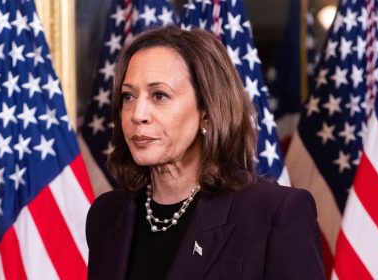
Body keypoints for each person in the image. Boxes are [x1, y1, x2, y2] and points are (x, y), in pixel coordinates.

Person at [86, 26, 325, 280]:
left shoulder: (274, 214)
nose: (137, 114)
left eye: (159, 95)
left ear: (208, 113)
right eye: (128, 96)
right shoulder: (107, 215)